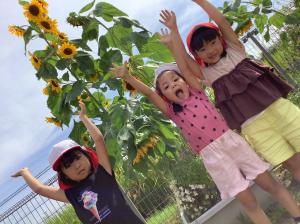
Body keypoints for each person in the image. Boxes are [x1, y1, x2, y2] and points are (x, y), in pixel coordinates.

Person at [111, 57, 300, 223]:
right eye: (166, 87)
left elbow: (185, 68)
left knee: (270, 185)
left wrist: (173, 39)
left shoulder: (197, 92)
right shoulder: (172, 112)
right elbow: (150, 94)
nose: (173, 85)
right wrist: (127, 77)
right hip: (214, 157)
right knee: (248, 202)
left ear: (185, 81)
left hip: (232, 142)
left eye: (175, 79)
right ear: (164, 96)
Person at [159, 0, 300, 186]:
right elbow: (184, 62)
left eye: (212, 42)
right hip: (255, 127)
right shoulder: (207, 75)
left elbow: (221, 21)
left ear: (221, 39)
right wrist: (174, 30)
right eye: (202, 49)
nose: (210, 50)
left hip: (280, 110)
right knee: (293, 164)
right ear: (197, 55)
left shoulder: (235, 50)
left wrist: (200, 1)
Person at [12, 101, 145, 224]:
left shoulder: (103, 171)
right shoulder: (71, 194)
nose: (76, 165)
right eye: (68, 165)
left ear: (87, 155)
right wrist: (25, 172)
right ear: (64, 175)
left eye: (77, 157)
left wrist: (83, 117)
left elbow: (98, 139)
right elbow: (39, 189)